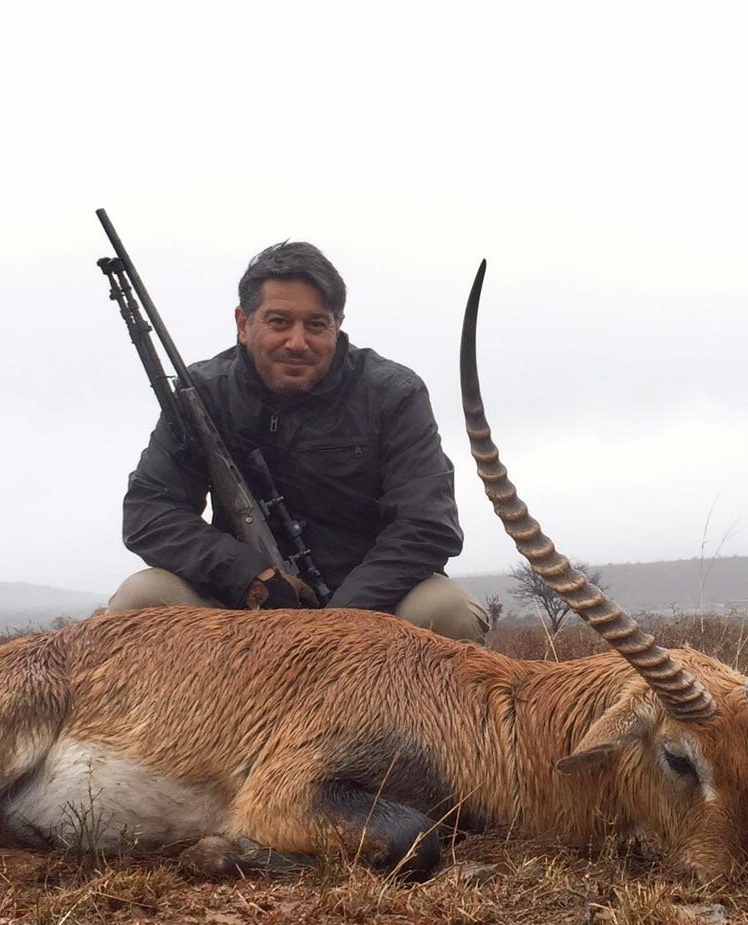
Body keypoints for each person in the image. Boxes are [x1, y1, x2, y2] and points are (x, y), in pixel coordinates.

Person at [108, 240, 489, 643]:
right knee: (142, 597)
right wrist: (248, 575)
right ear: (243, 323)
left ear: (337, 325)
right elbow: (149, 512)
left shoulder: (394, 393)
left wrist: (337, 621)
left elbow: (428, 526)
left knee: (449, 612)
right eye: (278, 322)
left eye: (316, 324)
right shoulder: (200, 394)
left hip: (373, 610)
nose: (297, 342)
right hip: (246, 604)